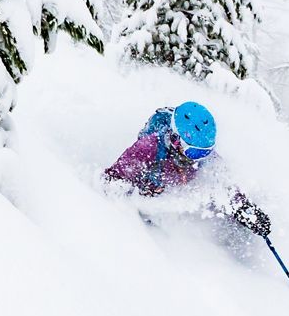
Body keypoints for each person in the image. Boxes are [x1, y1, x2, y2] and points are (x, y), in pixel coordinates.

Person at [102, 100, 271, 236]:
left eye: (205, 151)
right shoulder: (148, 148)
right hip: (148, 194)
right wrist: (131, 208)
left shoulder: (205, 158)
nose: (200, 157)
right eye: (194, 152)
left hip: (173, 186)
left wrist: (244, 209)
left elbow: (224, 186)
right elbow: (113, 180)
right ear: (176, 140)